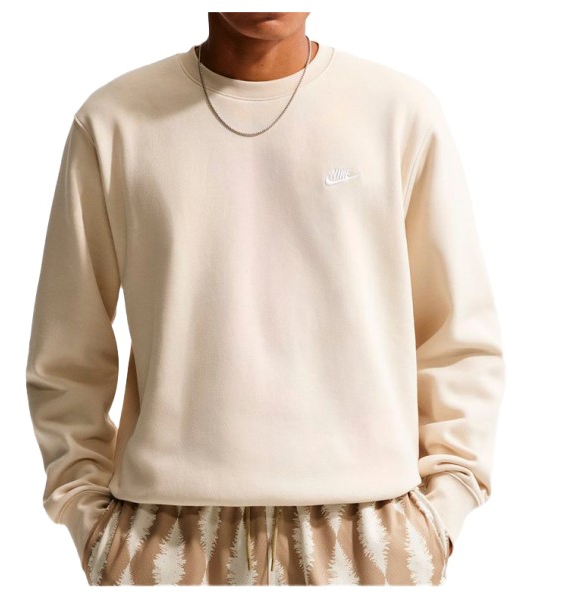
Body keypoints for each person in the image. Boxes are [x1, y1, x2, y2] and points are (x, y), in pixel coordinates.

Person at [25, 12, 505, 586]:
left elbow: (456, 335)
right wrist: (89, 519)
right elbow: (66, 350)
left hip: (370, 532)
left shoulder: (399, 113)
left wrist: (441, 512)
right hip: (164, 537)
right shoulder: (113, 122)